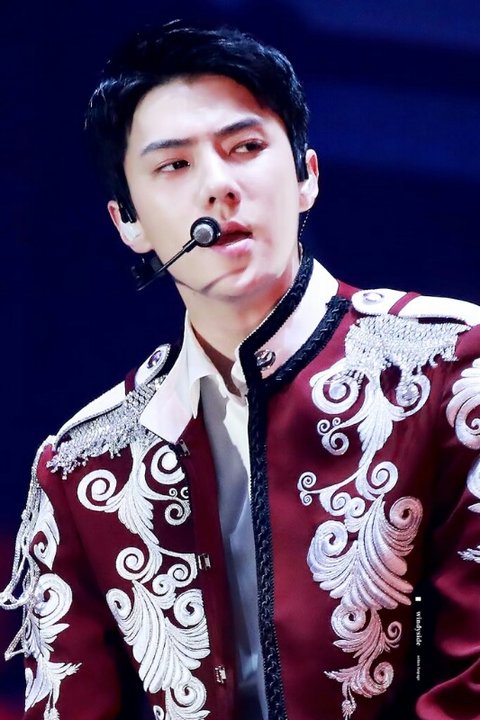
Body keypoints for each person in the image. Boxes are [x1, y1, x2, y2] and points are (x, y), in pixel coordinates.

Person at [1, 21, 480, 720]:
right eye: (174, 165)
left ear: (307, 176)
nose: (218, 187)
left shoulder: (451, 366)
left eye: (246, 148)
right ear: (128, 222)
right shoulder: (80, 468)